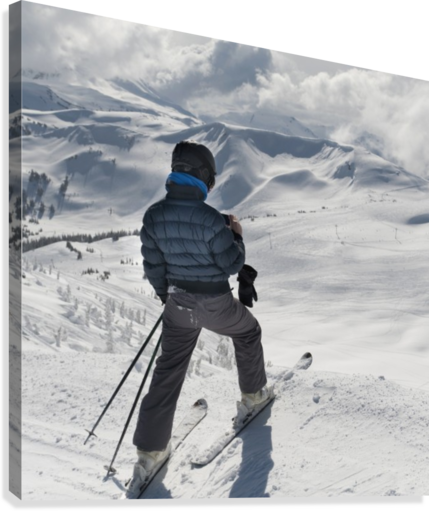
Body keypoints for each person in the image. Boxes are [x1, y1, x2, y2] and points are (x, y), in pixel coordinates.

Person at [126, 140, 269, 498]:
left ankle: (149, 453)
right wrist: (235, 234)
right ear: (204, 177)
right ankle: (253, 398)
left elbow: (154, 267)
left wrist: (169, 299)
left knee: (168, 369)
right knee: (248, 332)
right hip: (214, 303)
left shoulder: (153, 215)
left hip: (177, 304)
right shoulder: (209, 218)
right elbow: (231, 264)